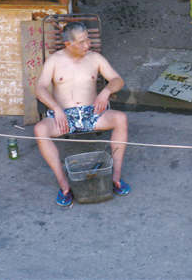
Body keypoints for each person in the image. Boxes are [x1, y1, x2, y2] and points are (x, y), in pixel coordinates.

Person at [34, 22, 130, 207]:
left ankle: (116, 178)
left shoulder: (95, 58)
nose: (88, 45)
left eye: (88, 39)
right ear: (68, 44)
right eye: (82, 42)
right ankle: (64, 186)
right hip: (63, 116)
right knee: (40, 129)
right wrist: (56, 108)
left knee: (120, 119)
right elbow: (40, 88)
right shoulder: (54, 61)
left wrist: (106, 91)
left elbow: (118, 80)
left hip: (91, 112)